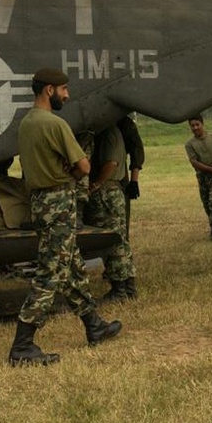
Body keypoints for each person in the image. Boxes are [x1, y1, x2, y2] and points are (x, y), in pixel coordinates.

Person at [7, 68, 121, 366]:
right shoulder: (54, 124)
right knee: (51, 271)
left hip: (40, 202)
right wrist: (70, 174)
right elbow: (83, 166)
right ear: (48, 90)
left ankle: (94, 325)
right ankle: (22, 345)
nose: (67, 95)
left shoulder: (27, 123)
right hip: (59, 200)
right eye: (64, 89)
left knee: (70, 265)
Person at [81, 124, 138, 301]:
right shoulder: (115, 130)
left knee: (112, 242)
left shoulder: (107, 132)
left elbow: (111, 163)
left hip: (106, 192)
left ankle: (119, 289)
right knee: (120, 240)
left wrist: (96, 184)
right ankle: (129, 286)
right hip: (113, 191)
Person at [117, 114, 144, 240]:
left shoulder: (124, 123)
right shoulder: (124, 123)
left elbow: (136, 151)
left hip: (118, 175)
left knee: (120, 220)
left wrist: (134, 181)